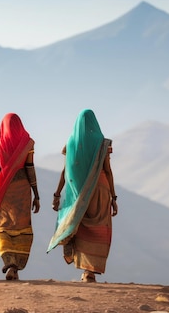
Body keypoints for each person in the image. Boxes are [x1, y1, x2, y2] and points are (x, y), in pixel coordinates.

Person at [47, 109, 118, 283]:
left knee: (80, 227)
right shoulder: (101, 143)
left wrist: (57, 194)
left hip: (79, 193)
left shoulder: (71, 143)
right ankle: (90, 271)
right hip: (100, 191)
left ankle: (85, 271)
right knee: (98, 228)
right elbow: (107, 171)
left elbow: (66, 170)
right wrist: (114, 198)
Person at [0, 113, 40, 281]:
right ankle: (15, 266)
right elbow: (30, 169)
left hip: (4, 192)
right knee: (21, 227)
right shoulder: (27, 144)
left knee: (2, 227)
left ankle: (8, 262)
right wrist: (36, 194)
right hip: (23, 192)